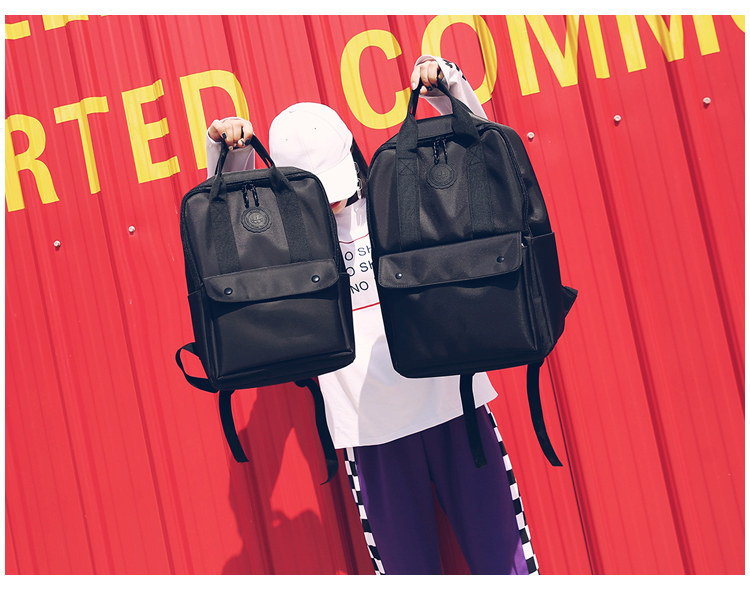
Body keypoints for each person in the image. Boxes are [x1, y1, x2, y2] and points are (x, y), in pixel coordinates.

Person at [205, 55, 537, 576]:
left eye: (338, 191)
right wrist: (229, 156)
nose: (335, 206)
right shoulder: (287, 239)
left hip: (455, 403)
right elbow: (227, 232)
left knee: (508, 568)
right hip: (368, 432)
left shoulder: (396, 195)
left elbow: (485, 164)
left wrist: (448, 88)